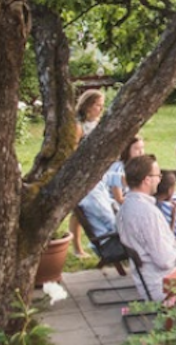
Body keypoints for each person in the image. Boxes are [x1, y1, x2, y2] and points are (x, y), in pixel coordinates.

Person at [116, 155, 176, 301]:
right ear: (147, 180)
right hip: (164, 285)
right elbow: (165, 261)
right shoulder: (147, 213)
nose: (160, 179)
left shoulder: (126, 205)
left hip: (148, 278)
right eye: (158, 175)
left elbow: (153, 247)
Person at [70, 89, 106, 257]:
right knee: (80, 210)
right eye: (97, 105)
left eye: (102, 105)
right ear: (87, 106)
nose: (101, 109)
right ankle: (77, 248)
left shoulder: (99, 123)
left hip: (100, 169)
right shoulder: (79, 125)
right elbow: (73, 151)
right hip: (82, 171)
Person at [105, 135, 145, 205]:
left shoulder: (139, 167)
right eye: (137, 149)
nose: (141, 152)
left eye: (142, 148)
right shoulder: (118, 168)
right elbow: (119, 198)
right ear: (127, 149)